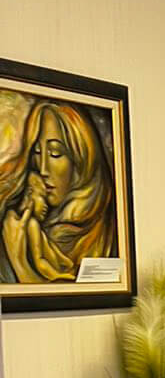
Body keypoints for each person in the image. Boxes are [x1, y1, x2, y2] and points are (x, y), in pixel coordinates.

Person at [0, 100, 116, 283]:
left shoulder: (107, 228)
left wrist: (19, 261)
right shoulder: (20, 224)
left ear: (81, 160)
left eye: (55, 153)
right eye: (37, 152)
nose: (43, 169)